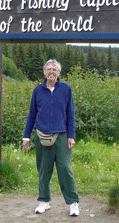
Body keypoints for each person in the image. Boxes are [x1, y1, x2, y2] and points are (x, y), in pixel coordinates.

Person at [22, 59, 80, 216]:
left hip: (62, 136)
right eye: (49, 69)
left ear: (59, 73)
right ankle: (44, 201)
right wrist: (26, 137)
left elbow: (71, 114)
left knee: (64, 169)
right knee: (43, 170)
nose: (51, 72)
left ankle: (73, 202)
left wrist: (71, 136)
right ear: (44, 72)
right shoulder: (37, 90)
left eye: (54, 69)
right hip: (41, 136)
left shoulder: (66, 89)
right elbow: (32, 115)